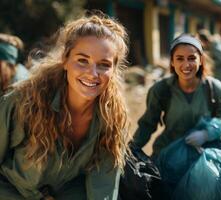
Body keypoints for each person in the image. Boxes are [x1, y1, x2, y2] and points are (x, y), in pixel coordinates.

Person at [0, 14, 132, 199]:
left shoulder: (112, 118)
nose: (92, 74)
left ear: (114, 70)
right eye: (82, 60)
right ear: (65, 60)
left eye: (104, 65)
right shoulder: (22, 102)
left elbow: (103, 186)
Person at [132, 33, 221, 158]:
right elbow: (147, 124)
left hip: (204, 159)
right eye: (179, 58)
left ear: (201, 60)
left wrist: (207, 134)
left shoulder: (215, 89)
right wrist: (131, 150)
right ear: (172, 62)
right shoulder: (161, 89)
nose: (186, 64)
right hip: (169, 157)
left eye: (191, 58)